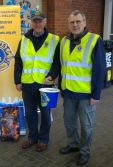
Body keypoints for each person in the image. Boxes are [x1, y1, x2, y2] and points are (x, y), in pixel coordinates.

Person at [59, 10, 106, 166]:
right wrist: (61, 88)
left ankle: (84, 151)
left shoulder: (94, 40)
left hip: (86, 95)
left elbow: (100, 69)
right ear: (68, 24)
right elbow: (63, 66)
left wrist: (96, 94)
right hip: (68, 92)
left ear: (84, 22)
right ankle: (73, 144)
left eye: (78, 21)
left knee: (86, 125)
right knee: (69, 122)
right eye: (72, 22)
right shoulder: (64, 41)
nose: (75, 25)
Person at [14, 11, 60, 152]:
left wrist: (51, 76)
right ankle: (32, 137)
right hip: (27, 84)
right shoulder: (24, 40)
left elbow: (57, 62)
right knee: (30, 113)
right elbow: (18, 61)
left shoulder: (54, 40)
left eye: (40, 21)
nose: (37, 24)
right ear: (31, 23)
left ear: (45, 22)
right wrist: (17, 80)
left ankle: (43, 139)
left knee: (46, 114)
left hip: (45, 85)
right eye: (35, 21)